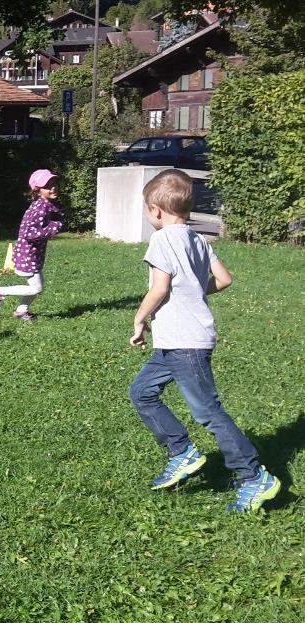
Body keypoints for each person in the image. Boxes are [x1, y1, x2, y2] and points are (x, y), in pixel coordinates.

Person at [127, 170, 280, 512]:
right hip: (175, 341)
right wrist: (197, 289)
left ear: (156, 210)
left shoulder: (162, 240)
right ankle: (182, 452)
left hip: (185, 342)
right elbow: (223, 279)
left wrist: (139, 319)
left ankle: (254, 476)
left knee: (208, 412)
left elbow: (160, 288)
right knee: (142, 392)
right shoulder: (198, 239)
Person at [0, 169, 63, 321]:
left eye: (54, 183)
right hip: (28, 255)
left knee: (37, 286)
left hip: (33, 254)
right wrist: (54, 227)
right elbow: (28, 233)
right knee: (37, 288)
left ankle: (21, 311)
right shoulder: (40, 208)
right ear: (37, 189)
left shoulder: (45, 205)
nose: (53, 187)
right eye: (48, 185)